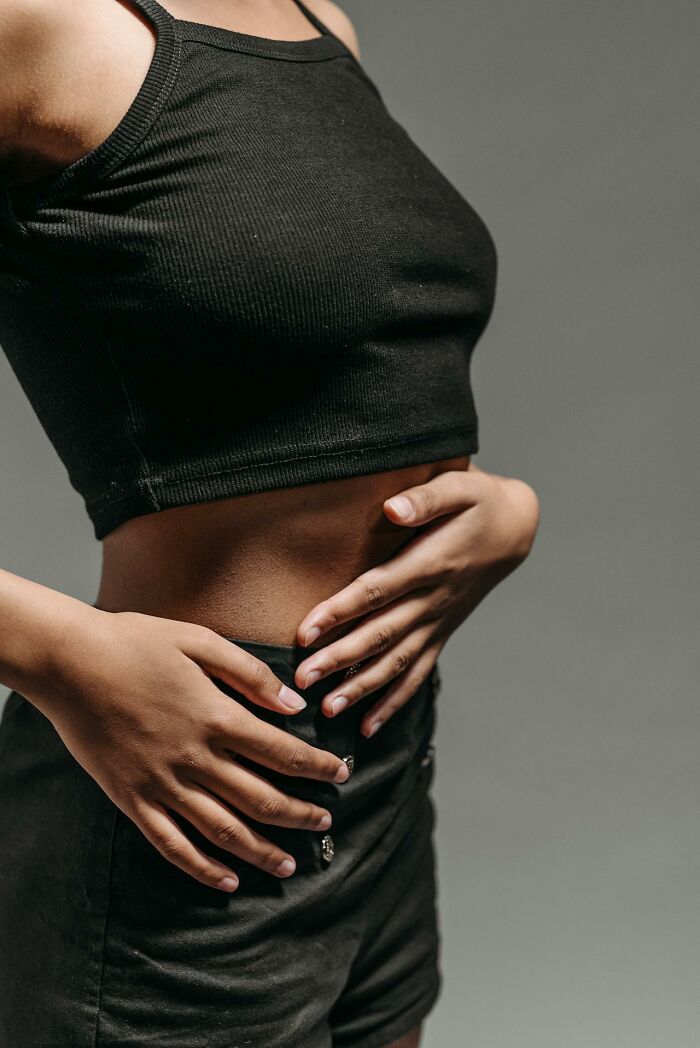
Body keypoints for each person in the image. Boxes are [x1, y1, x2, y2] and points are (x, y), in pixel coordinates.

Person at [0, 1, 540, 1045]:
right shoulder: (39, 26)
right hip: (184, 799)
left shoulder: (316, 19)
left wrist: (507, 510)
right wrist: (61, 655)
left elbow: (349, 378)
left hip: (378, 778)